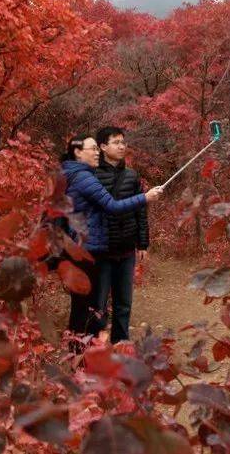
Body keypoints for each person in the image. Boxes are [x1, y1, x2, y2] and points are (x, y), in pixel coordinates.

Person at [59, 135, 163, 340]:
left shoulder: (70, 174)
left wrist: (141, 241)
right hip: (87, 249)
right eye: (93, 149)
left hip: (79, 247)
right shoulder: (84, 178)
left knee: (83, 306)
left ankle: (84, 351)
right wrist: (145, 197)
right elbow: (112, 206)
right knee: (89, 308)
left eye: (97, 149)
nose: (96, 152)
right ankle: (83, 353)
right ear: (78, 152)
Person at [91, 126, 150, 343]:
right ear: (103, 147)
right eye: (116, 142)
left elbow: (140, 210)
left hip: (126, 249)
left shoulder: (131, 175)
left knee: (124, 303)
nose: (122, 146)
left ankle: (121, 345)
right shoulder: (92, 175)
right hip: (102, 250)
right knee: (98, 305)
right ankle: (94, 348)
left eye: (123, 142)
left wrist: (142, 244)